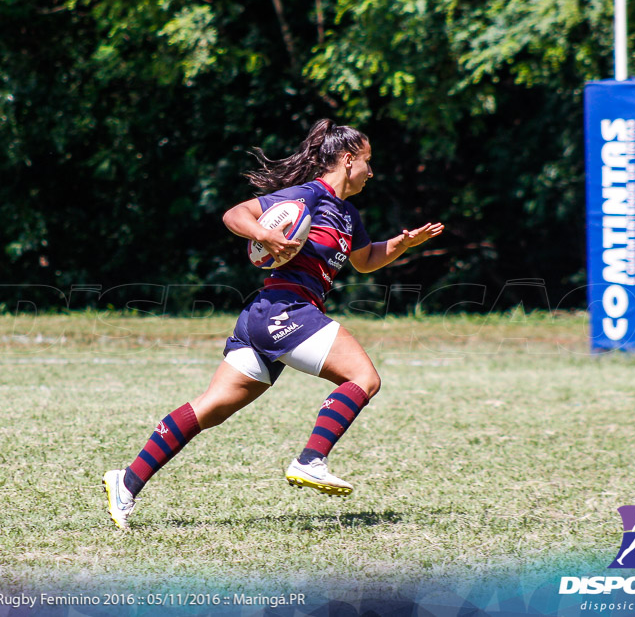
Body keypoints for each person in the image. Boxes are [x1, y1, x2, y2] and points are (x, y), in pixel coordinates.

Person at [102, 119, 444, 529]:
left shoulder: (348, 215)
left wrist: (403, 244)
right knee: (363, 378)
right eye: (368, 162)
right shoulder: (308, 196)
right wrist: (267, 234)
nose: (372, 172)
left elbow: (365, 259)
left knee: (211, 408)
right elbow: (236, 214)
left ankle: (127, 480)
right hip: (287, 309)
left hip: (266, 316)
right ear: (348, 159)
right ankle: (311, 460)